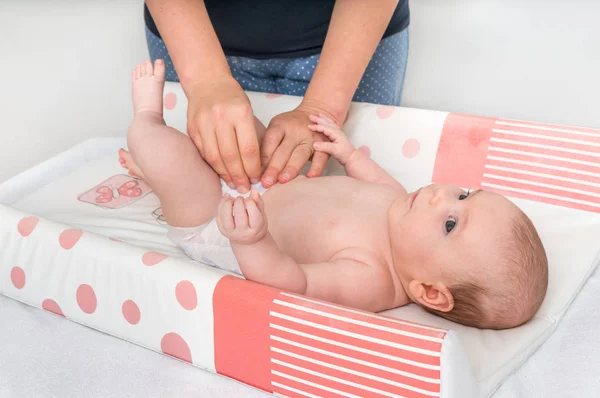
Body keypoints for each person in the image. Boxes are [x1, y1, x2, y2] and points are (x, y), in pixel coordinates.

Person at [120, 60, 549, 329]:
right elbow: (368, 174)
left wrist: (251, 239)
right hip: (268, 184)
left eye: (451, 223)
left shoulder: (373, 279)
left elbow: (294, 282)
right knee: (247, 134)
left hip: (225, 227)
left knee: (174, 161)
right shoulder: (403, 206)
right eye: (465, 194)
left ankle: (148, 123)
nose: (442, 196)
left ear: (429, 292)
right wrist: (345, 151)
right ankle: (163, 175)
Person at [144, 0, 410, 194]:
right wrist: (205, 80)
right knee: (204, 156)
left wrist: (325, 105)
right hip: (187, 27)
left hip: (354, 31)